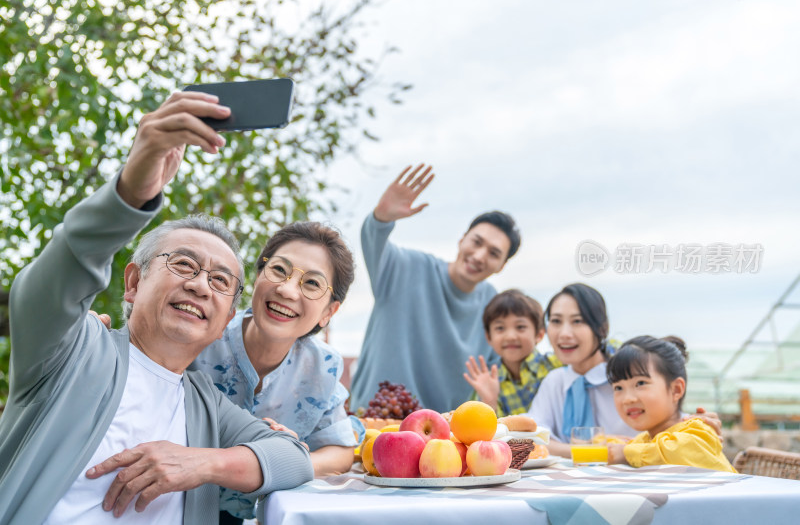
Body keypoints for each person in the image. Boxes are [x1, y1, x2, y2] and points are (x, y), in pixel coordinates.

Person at [0, 92, 313, 525]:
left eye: (221, 281)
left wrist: (200, 463)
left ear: (225, 319)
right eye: (184, 263)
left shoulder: (205, 403)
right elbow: (56, 276)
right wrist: (132, 191)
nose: (201, 284)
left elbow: (294, 458)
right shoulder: (73, 351)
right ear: (133, 283)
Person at [190, 221, 359, 523]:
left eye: (311, 284)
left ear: (329, 312)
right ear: (258, 274)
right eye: (279, 270)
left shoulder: (323, 367)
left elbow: (340, 451)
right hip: (173, 504)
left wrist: (287, 458)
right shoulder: (201, 335)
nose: (286, 290)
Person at [349, 164, 521, 413]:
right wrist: (381, 219)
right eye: (476, 242)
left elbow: (495, 371)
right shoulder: (405, 267)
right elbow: (373, 242)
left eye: (494, 253)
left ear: (501, 266)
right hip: (375, 420)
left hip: (438, 437)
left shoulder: (492, 307)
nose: (480, 255)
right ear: (462, 239)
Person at [527, 283, 638, 457]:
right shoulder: (555, 382)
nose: (564, 333)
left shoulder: (627, 377)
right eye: (556, 321)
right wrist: (592, 452)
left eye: (577, 321)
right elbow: (532, 439)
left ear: (602, 328)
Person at [606, 335, 736, 472]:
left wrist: (625, 454)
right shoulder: (643, 441)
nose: (628, 399)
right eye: (618, 388)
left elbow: (677, 452)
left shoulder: (697, 430)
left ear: (676, 389)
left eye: (640, 383)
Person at [463, 289, 562, 416]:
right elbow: (487, 432)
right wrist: (489, 402)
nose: (510, 336)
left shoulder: (557, 364)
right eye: (500, 328)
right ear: (489, 337)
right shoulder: (489, 381)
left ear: (539, 334)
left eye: (520, 327)